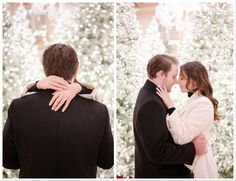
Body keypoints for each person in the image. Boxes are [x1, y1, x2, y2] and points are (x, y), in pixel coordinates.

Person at [3, 43, 114, 178]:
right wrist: (79, 87)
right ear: (76, 69)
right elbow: (106, 162)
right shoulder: (99, 111)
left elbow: (8, 161)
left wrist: (35, 85)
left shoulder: (18, 107)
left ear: (45, 69)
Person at [133, 54, 208, 178]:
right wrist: (193, 149)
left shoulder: (148, 94)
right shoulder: (152, 103)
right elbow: (157, 151)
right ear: (161, 74)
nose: (176, 81)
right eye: (173, 76)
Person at [156, 61, 219, 178]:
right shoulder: (195, 100)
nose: (178, 82)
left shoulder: (203, 104)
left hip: (198, 168)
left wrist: (170, 106)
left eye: (182, 78)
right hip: (187, 165)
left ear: (195, 80)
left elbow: (181, 138)